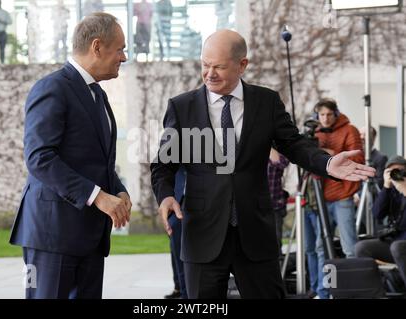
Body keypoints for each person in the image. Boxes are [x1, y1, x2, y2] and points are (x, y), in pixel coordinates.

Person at [150, 29, 376, 299]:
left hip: (255, 233)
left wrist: (326, 164)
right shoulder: (181, 107)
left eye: (219, 67)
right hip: (203, 233)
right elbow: (164, 165)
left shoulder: (266, 102)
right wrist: (164, 196)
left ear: (242, 64)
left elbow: (294, 145)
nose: (209, 73)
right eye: (205, 65)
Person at [9, 13, 131, 299]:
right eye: (120, 49)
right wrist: (98, 196)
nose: (123, 57)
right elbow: (40, 157)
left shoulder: (97, 95)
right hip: (52, 236)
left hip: (89, 237)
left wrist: (118, 189)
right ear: (97, 47)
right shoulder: (52, 88)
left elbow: (95, 159)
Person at [314, 98, 364, 299]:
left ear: (335, 114)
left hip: (343, 196)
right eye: (321, 115)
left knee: (349, 248)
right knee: (321, 248)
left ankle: (352, 292)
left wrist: (329, 152)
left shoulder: (349, 130)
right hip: (321, 197)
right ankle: (324, 292)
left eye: (328, 114)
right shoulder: (315, 133)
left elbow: (358, 159)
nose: (325, 119)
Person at [355, 155, 406, 286]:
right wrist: (386, 187)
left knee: (397, 247)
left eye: (400, 171)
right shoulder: (390, 190)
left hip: (401, 244)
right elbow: (377, 215)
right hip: (395, 241)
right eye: (391, 172)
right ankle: (376, 290)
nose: (396, 175)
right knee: (362, 247)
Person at [165, 168, 187, 299]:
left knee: (182, 249)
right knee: (175, 247)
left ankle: (185, 292)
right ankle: (179, 287)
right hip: (176, 197)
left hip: (200, 197)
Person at [267, 147, 289, 255]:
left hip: (274, 206)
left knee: (275, 245)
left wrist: (267, 144)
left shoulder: (275, 150)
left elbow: (283, 163)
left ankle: (278, 270)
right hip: (254, 207)